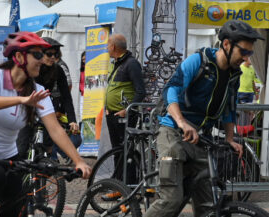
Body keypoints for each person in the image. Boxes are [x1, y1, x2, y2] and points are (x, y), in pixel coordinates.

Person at [0, 31, 91, 217]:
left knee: (18, 205)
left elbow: (55, 129)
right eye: (38, 55)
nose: (43, 60)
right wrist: (21, 100)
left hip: (7, 155)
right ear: (19, 57)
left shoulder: (37, 91)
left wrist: (78, 161)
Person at [144, 20, 262, 217]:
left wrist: (230, 139)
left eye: (249, 53)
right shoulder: (199, 61)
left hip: (199, 138)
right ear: (226, 44)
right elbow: (171, 89)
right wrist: (181, 122)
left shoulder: (234, 75)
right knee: (170, 200)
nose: (246, 57)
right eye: (244, 52)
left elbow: (229, 109)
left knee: (209, 204)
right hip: (173, 132)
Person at [16, 37, 81, 162]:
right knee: (21, 148)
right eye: (49, 54)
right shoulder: (31, 67)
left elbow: (66, 97)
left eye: (56, 54)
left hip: (45, 106)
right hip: (27, 106)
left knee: (49, 146)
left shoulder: (58, 70)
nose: (53, 57)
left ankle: (47, 165)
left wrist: (72, 120)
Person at [103, 33, 145, 188]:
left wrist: (127, 111)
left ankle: (127, 187)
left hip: (124, 116)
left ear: (113, 47)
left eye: (108, 45)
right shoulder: (117, 63)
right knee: (117, 152)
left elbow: (141, 91)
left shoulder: (131, 63)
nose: (107, 48)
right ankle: (118, 184)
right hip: (112, 115)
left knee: (126, 152)